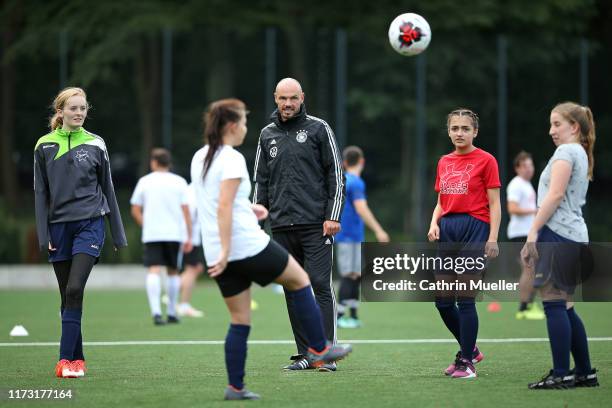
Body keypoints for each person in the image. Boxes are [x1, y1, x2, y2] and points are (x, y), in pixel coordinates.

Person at [190, 98, 352, 400]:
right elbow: (225, 206)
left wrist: (252, 215)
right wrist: (229, 248)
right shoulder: (233, 158)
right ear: (232, 125)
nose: (246, 128)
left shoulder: (200, 157)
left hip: (216, 250)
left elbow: (216, 204)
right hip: (243, 244)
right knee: (299, 280)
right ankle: (319, 348)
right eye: (244, 122)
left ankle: (235, 387)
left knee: (240, 319)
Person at [252, 78, 345, 372]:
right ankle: (306, 353)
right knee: (293, 288)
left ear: (302, 97)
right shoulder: (267, 135)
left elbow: (337, 176)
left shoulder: (319, 128)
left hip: (317, 225)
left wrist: (333, 215)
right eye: (283, 98)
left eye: (293, 98)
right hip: (280, 227)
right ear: (275, 98)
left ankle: (325, 353)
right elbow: (260, 182)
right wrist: (257, 223)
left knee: (318, 284)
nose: (288, 103)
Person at [34, 87, 127, 378]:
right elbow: (40, 194)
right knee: (66, 296)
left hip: (91, 223)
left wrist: (118, 233)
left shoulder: (97, 144)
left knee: (75, 289)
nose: (79, 113)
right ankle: (78, 360)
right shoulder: (44, 145)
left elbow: (108, 188)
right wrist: (42, 235)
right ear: (60, 112)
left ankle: (64, 361)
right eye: (73, 108)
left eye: (83, 108)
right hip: (58, 229)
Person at [522, 102, 599, 389]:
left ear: (574, 127)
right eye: (551, 124)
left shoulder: (567, 151)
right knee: (565, 305)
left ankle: (561, 373)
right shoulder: (578, 151)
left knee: (554, 304)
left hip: (559, 236)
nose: (551, 130)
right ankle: (584, 372)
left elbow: (554, 196)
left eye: (557, 124)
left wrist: (533, 232)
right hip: (573, 235)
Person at [427, 108, 501, 379]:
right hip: (448, 230)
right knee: (443, 302)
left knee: (466, 299)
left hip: (475, 228)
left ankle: (467, 362)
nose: (459, 133)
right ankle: (470, 349)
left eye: (465, 128)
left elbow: (495, 203)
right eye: (455, 128)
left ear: (475, 132)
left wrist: (492, 238)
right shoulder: (444, 161)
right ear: (448, 131)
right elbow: (440, 202)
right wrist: (434, 223)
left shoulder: (487, 160)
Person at [130, 148, 193, 325]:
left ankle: (157, 312)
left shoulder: (145, 181)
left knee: (154, 270)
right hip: (175, 234)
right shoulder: (179, 182)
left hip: (153, 234)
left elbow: (135, 209)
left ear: (154, 162)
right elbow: (186, 211)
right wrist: (188, 235)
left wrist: (146, 225)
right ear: (169, 163)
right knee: (173, 271)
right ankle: (172, 312)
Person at [335, 146, 389, 329]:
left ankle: (353, 315)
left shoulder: (342, 180)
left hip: (349, 235)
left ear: (343, 163)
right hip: (349, 236)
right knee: (350, 275)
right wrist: (379, 230)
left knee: (356, 274)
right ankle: (339, 316)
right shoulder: (356, 182)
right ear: (362, 162)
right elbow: (361, 208)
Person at [507, 151, 544, 320]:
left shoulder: (527, 185)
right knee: (529, 270)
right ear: (517, 168)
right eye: (525, 166)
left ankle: (528, 305)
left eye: (531, 166)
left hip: (529, 233)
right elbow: (512, 208)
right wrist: (535, 211)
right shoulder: (516, 184)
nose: (529, 169)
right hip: (520, 234)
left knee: (534, 270)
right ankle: (524, 308)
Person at [177, 182, 206, 318]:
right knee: (192, 269)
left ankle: (173, 295)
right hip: (190, 237)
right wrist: (188, 237)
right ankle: (183, 305)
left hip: (190, 236)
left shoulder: (191, 190)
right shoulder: (193, 191)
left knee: (197, 268)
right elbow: (189, 214)